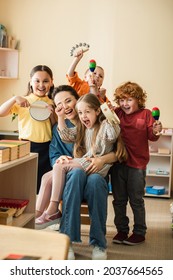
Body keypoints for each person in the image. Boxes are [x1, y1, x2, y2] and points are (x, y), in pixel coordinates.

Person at [35, 85, 126, 260]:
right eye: (60, 104)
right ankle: (61, 234)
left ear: (78, 99)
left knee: (95, 182)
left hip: (94, 171)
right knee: (68, 174)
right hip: (71, 176)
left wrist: (102, 159)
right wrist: (60, 158)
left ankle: (98, 242)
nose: (66, 106)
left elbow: (116, 142)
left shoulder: (100, 123)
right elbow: (59, 147)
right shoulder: (73, 127)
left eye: (68, 100)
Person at [110, 81, 162, 245]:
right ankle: (121, 231)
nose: (124, 103)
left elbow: (152, 137)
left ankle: (139, 232)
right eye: (122, 100)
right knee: (119, 200)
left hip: (137, 166)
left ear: (138, 100)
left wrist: (155, 131)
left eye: (129, 99)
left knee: (136, 200)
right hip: (118, 163)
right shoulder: (117, 113)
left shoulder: (146, 114)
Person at [0, 65, 56, 193]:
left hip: (47, 148)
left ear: (51, 82)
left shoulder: (52, 102)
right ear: (31, 81)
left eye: (45, 81)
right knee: (25, 183)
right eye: (37, 80)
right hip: (26, 147)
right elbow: (1, 112)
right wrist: (14, 99)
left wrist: (52, 114)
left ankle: (41, 211)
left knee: (43, 186)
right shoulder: (22, 101)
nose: (41, 85)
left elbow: (55, 127)